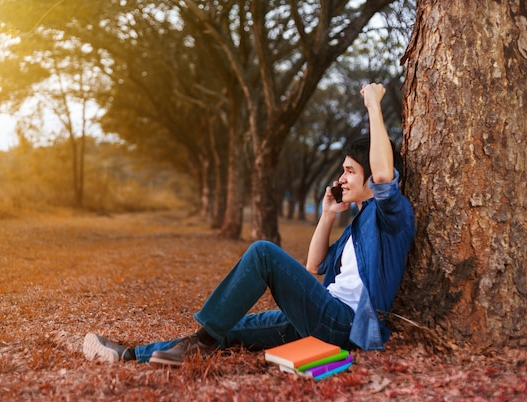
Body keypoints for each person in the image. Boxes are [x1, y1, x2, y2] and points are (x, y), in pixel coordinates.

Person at [83, 83, 415, 366]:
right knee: (230, 326)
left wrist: (373, 102)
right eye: (343, 170)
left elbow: (384, 173)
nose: (342, 178)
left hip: (346, 326)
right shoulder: (356, 225)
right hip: (320, 315)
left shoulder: (391, 214)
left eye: (350, 171)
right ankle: (130, 355)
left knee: (263, 253)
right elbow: (314, 265)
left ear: (372, 178)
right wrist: (328, 214)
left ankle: (199, 341)